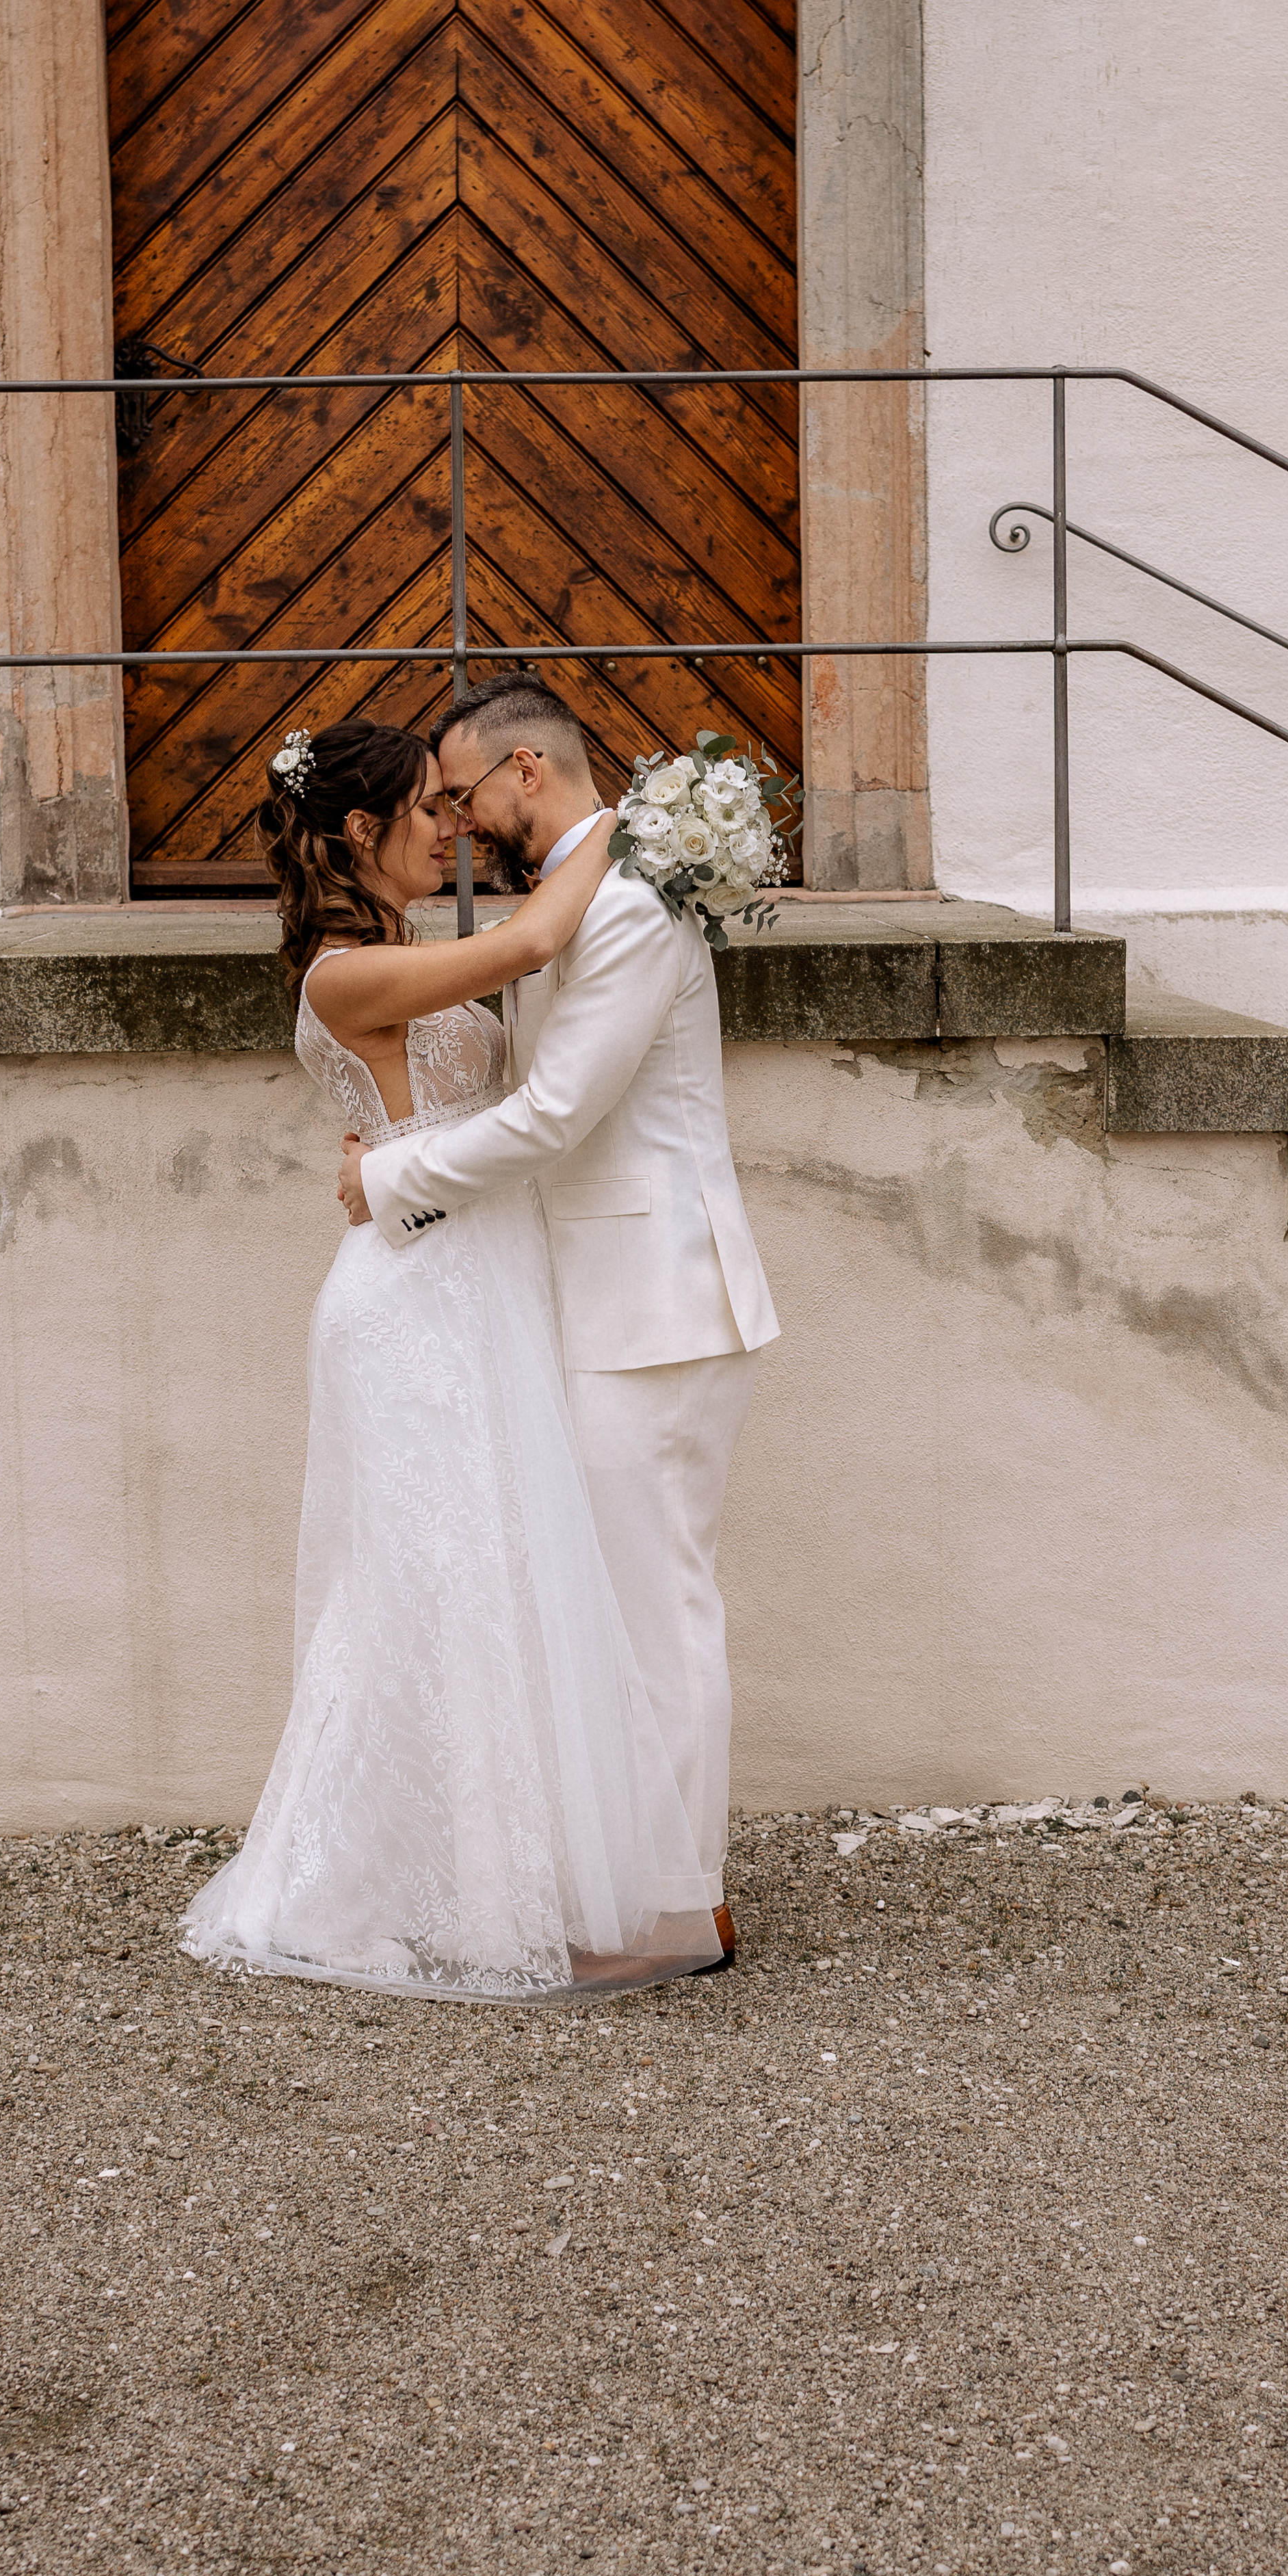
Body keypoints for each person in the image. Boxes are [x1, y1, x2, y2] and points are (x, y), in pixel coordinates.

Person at [179, 715, 720, 2002]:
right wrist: (650, 838)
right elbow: (537, 943)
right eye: (429, 806)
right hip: (413, 1304)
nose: (452, 823)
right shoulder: (341, 973)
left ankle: (498, 1872)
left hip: (476, 1281)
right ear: (359, 830)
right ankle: (345, 1885)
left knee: (485, 1584)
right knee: (423, 1587)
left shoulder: (404, 950)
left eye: (455, 798)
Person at [338, 674, 777, 1967]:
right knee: (630, 1608)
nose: (462, 825)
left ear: (526, 770)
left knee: (656, 1611)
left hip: (655, 1305)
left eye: (467, 795)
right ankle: (661, 1891)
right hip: (610, 1302)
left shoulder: (628, 904)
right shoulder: (589, 889)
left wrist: (388, 1184)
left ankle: (673, 1915)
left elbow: (557, 1116)